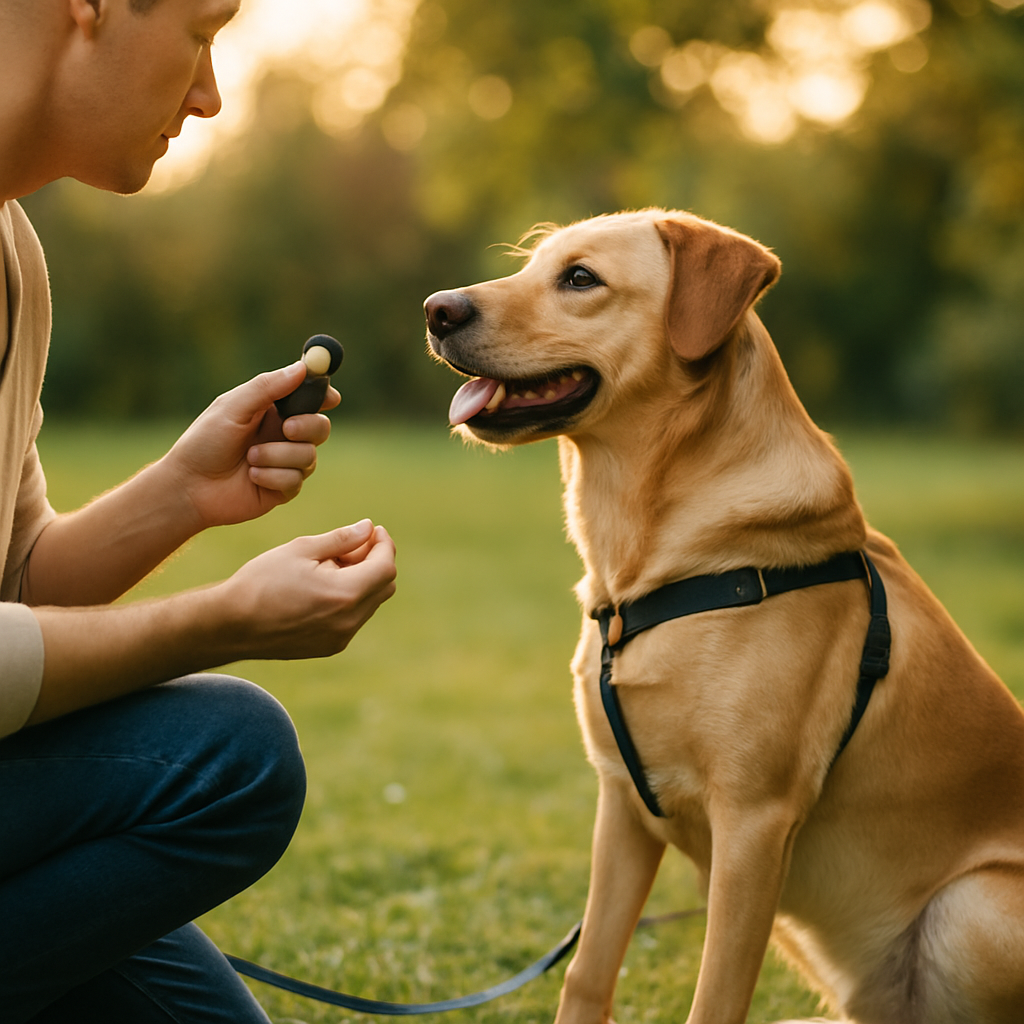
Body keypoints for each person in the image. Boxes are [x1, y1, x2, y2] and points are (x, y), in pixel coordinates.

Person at [0, 0, 399, 1020]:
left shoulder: (11, 256)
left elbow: (20, 584)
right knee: (229, 757)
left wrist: (184, 493)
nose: (211, 95)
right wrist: (224, 618)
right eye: (202, 31)